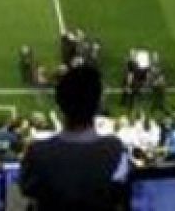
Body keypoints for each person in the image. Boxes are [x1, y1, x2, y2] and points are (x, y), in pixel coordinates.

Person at [19, 66, 129, 211]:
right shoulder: (115, 149)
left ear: (60, 103)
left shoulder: (38, 152)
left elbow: (28, 191)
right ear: (98, 104)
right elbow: (122, 194)